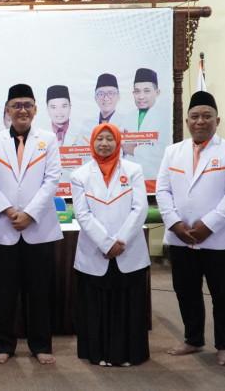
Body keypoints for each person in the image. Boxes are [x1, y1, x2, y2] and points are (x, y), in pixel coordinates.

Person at [155, 91, 225, 367]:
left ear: (217, 120)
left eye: (207, 116)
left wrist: (208, 225)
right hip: (181, 238)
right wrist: (175, 223)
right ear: (187, 121)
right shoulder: (173, 151)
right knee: (186, 292)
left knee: (224, 295)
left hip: (219, 240)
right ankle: (193, 339)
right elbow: (162, 190)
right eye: (195, 116)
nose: (200, 121)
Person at [0, 83, 63, 365]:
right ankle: (4, 345)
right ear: (7, 109)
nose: (22, 110)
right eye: (17, 105)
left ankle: (41, 345)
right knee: (4, 291)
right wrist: (7, 210)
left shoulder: (47, 140)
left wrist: (29, 214)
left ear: (35, 109)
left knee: (39, 291)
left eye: (27, 105)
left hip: (38, 229)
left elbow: (52, 179)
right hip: (4, 229)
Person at [70, 123, 150, 367]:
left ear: (118, 142)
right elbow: (82, 214)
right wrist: (106, 243)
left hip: (128, 249)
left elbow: (140, 208)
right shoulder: (79, 175)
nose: (104, 144)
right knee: (96, 305)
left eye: (109, 139)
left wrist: (120, 241)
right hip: (95, 250)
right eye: (99, 139)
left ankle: (128, 354)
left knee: (128, 304)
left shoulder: (134, 170)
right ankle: (98, 353)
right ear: (92, 142)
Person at [121, 68, 169, 190]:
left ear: (157, 92)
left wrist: (133, 149)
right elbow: (121, 147)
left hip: (154, 180)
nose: (141, 96)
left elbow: (163, 151)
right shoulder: (128, 117)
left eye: (147, 91)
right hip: (128, 180)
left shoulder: (166, 117)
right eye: (137, 91)